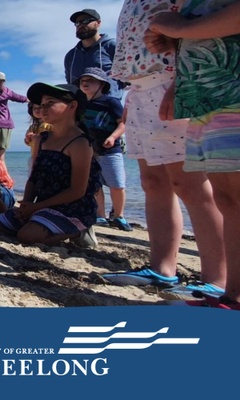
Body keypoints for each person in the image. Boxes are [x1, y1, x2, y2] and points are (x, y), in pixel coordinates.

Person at [100, 0, 227, 302]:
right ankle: (162, 268)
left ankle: (217, 278)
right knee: (152, 182)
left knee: (190, 184)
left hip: (173, 80)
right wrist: (131, 97)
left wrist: (182, 80)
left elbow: (198, 25)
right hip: (140, 89)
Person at [143, 0, 239, 309]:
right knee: (228, 197)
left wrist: (183, 28)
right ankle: (233, 296)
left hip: (232, 86)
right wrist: (180, 40)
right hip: (207, 94)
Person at [0, 83, 101, 247]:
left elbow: (77, 191)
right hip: (42, 205)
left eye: (50, 103)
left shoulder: (80, 143)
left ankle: (79, 231)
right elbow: (34, 177)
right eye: (41, 105)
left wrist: (36, 207)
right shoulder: (42, 139)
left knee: (27, 235)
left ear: (72, 106)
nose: (43, 109)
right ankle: (42, 221)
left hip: (72, 208)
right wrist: (26, 205)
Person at [76, 67, 132, 231]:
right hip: (89, 150)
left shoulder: (111, 101)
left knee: (117, 183)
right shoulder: (81, 104)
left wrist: (113, 136)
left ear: (102, 84)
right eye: (82, 81)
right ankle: (100, 215)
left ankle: (119, 216)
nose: (85, 83)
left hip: (110, 149)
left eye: (90, 80)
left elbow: (123, 123)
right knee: (95, 185)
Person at [64, 8, 124, 99]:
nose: (80, 25)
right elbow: (70, 84)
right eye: (77, 23)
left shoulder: (113, 46)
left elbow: (127, 76)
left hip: (107, 107)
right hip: (80, 108)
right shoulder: (70, 56)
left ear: (98, 23)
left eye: (85, 21)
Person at [24, 102, 52, 175]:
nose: (37, 110)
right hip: (34, 156)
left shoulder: (49, 124)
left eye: (39, 108)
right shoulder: (32, 127)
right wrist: (27, 139)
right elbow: (28, 142)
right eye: (35, 108)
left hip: (46, 156)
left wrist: (35, 137)